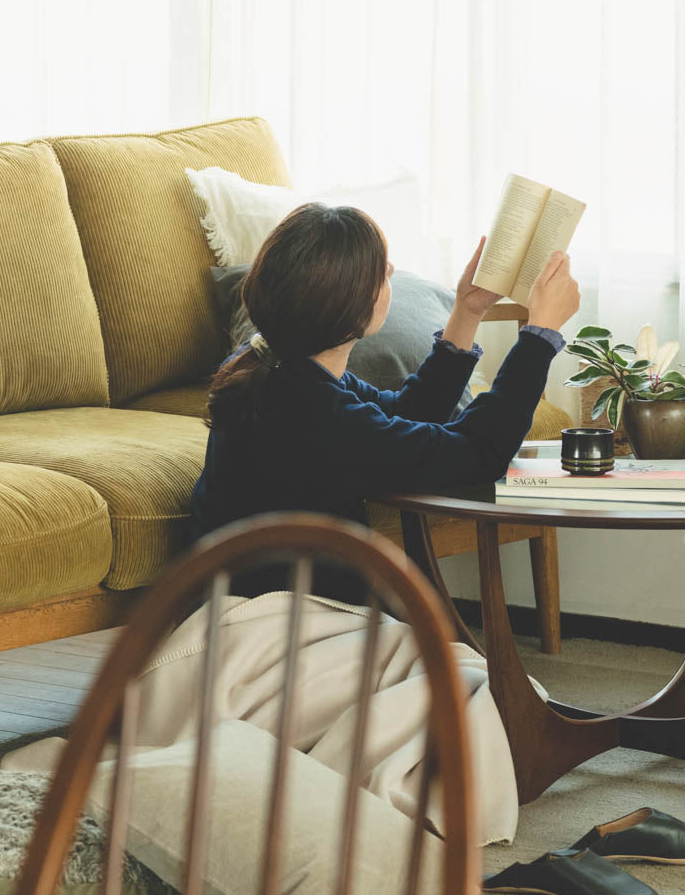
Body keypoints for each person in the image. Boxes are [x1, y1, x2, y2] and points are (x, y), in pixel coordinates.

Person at [190, 201, 580, 603]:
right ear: (344, 303)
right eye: (380, 270)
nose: (391, 271)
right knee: (464, 668)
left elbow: (404, 414)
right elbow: (478, 453)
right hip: (281, 628)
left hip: (253, 606)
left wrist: (467, 309)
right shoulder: (317, 415)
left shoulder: (275, 365)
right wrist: (539, 336)